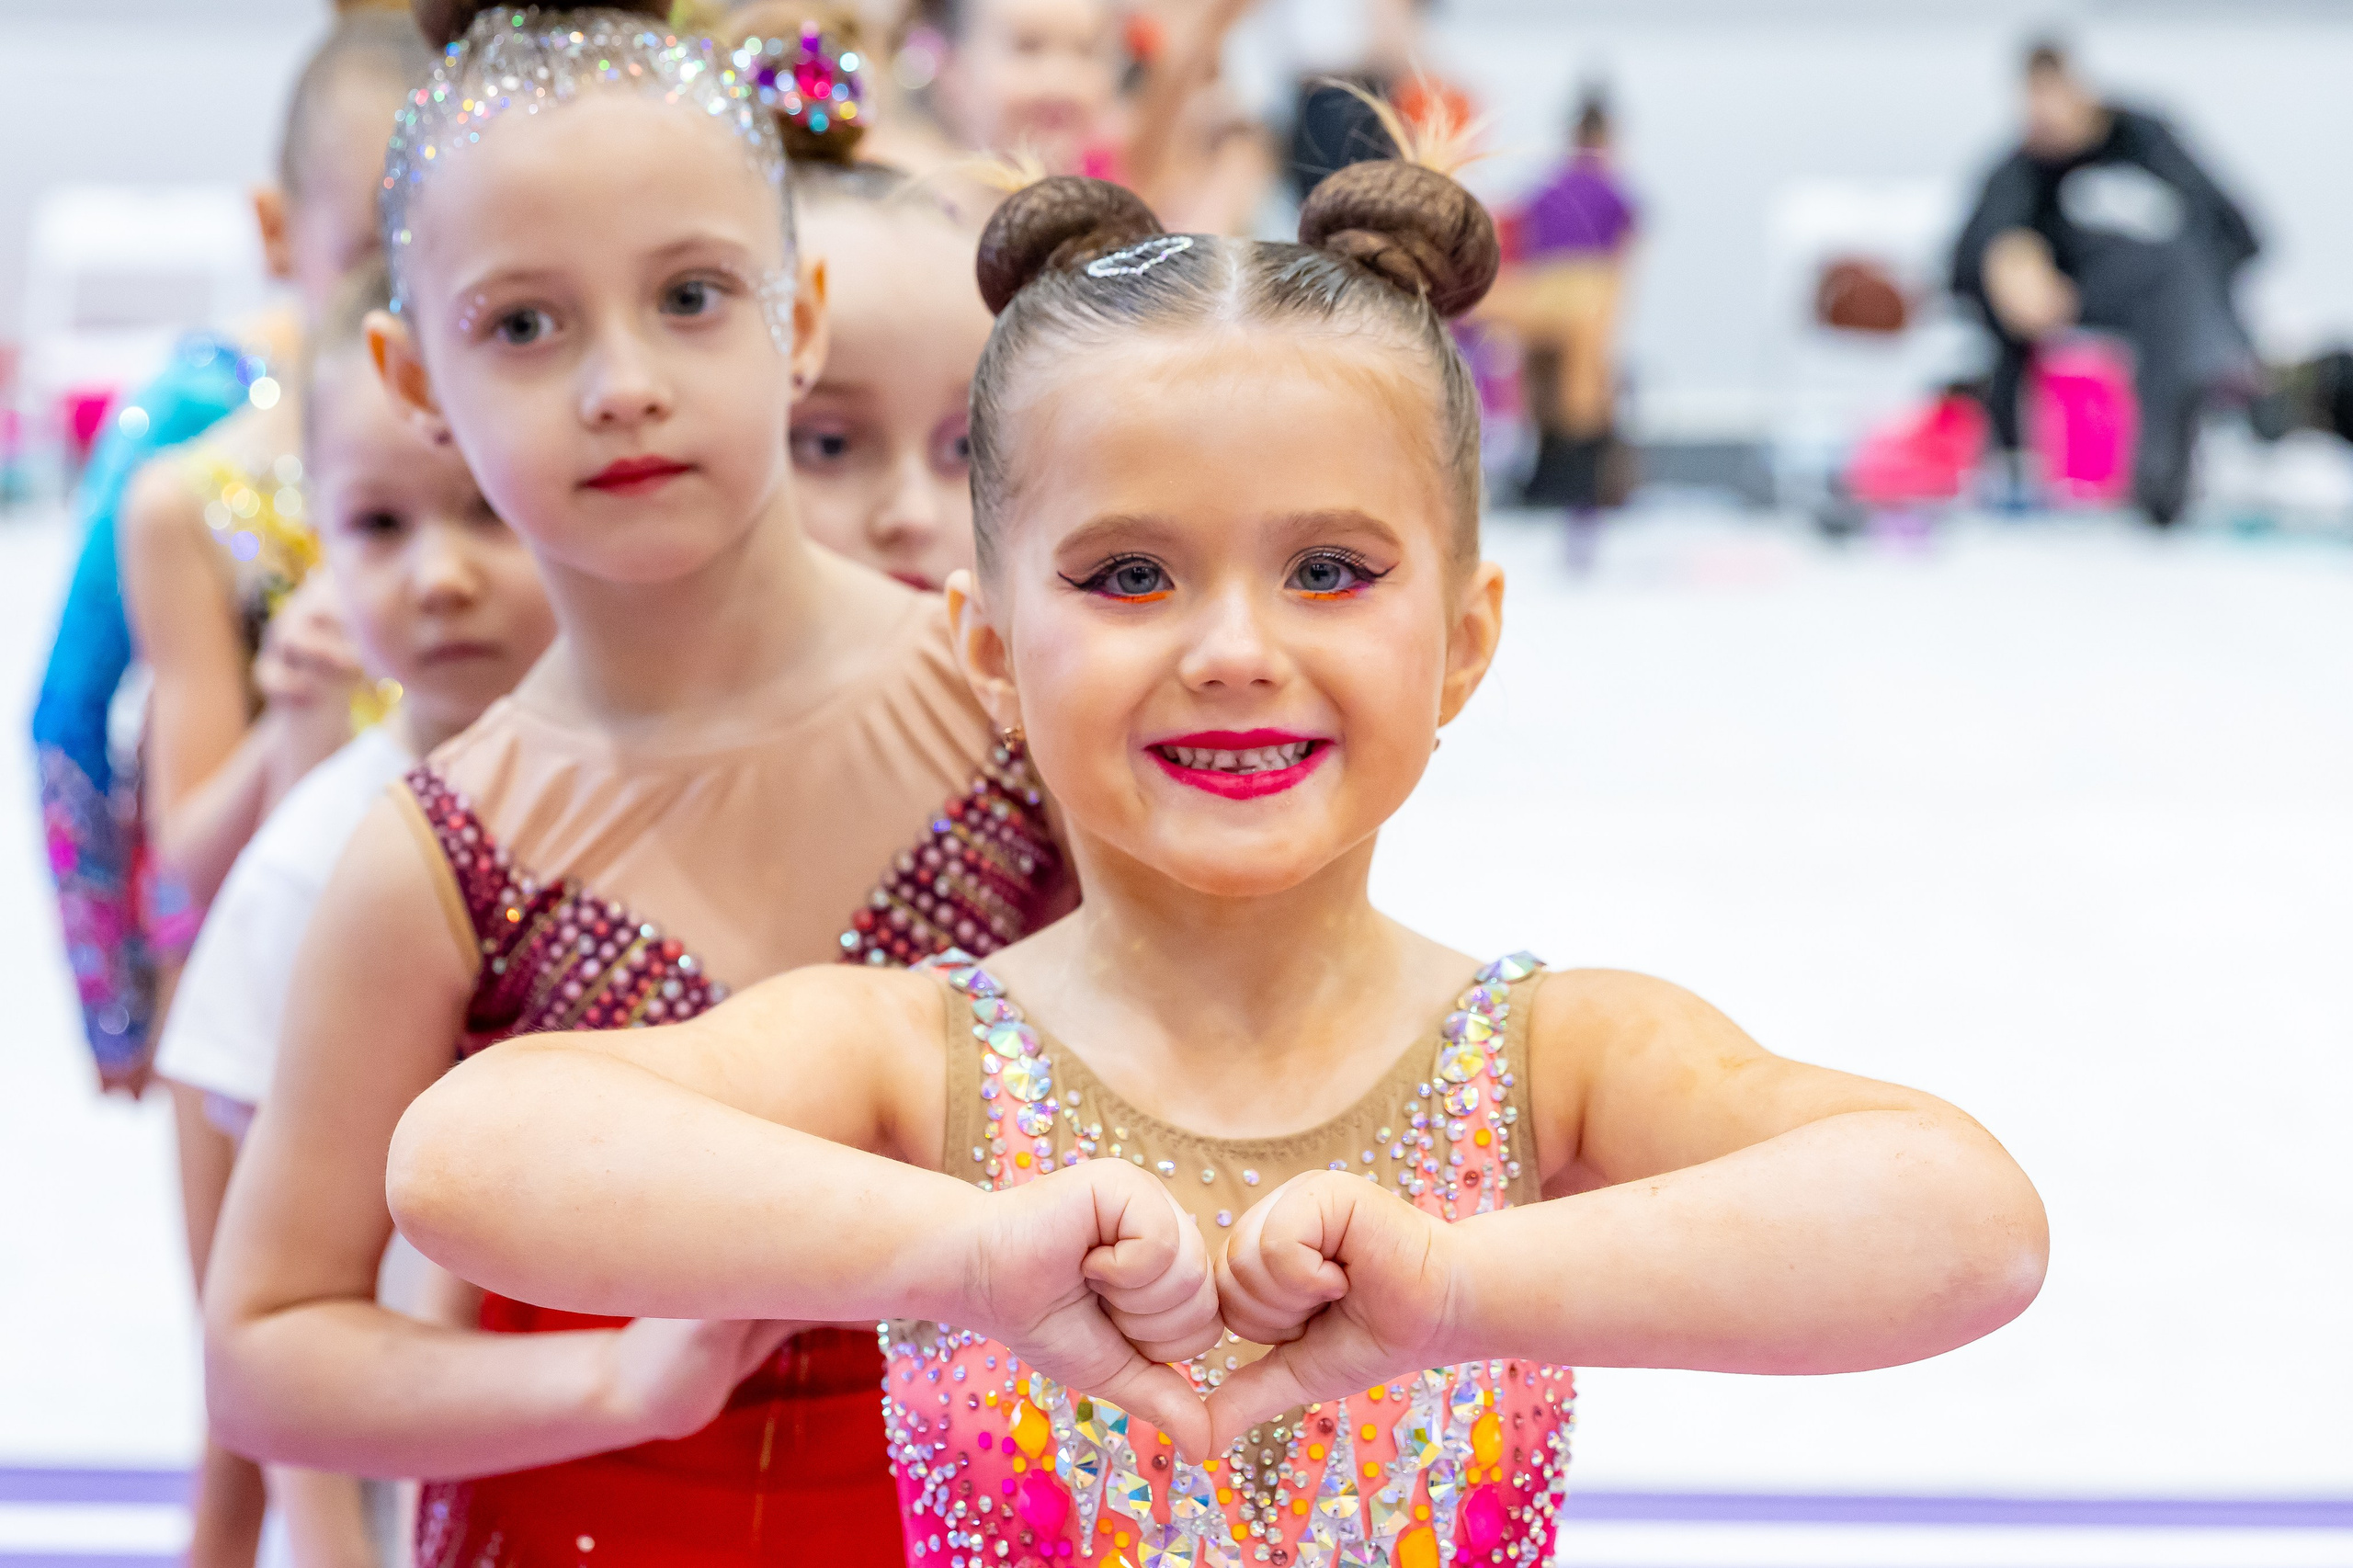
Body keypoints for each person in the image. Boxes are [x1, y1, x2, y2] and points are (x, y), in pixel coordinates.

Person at [383, 154, 2051, 1564]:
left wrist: (1460, 1289)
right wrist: (960, 1256)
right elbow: (472, 1158)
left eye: (1330, 569)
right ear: (985, 644)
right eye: (1126, 576)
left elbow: (1967, 1228)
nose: (1234, 650)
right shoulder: (907, 1054)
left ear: (1466, 641)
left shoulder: (1558, 1059)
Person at [204, 7, 1072, 1565]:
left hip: (1006, 1513)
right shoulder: (439, 855)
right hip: (581, 1518)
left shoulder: (1024, 714)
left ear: (792, 315)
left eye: (687, 297)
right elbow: (265, 1346)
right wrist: (610, 1376)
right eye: (523, 325)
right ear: (411, 374)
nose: (619, 384)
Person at [153, 259, 555, 1568]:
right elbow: (272, 1300)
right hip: (400, 1436)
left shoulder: (644, 794)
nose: (439, 576)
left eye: (486, 512)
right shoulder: (314, 861)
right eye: (379, 527)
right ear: (316, 543)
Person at [30, 2, 427, 1101]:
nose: (406, 305)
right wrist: (115, 1009)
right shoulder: (188, 442)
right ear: (278, 232)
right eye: (369, 258)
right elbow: (68, 713)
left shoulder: (495, 454)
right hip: (251, 970)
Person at [1952, 39, 2263, 525]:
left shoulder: (2146, 141)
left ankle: (2168, 471)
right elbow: (1969, 255)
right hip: (2078, 303)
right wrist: (2010, 264)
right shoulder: (2024, 170)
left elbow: (2238, 233)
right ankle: (2031, 461)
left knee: (2178, 289)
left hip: (2178, 304)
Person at [1484, 87, 1638, 528]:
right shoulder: (1607, 191)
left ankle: (1568, 471)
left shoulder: (1552, 189)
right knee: (1577, 369)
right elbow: (1623, 264)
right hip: (1573, 294)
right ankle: (1572, 473)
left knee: (1568, 370)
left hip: (1550, 292)